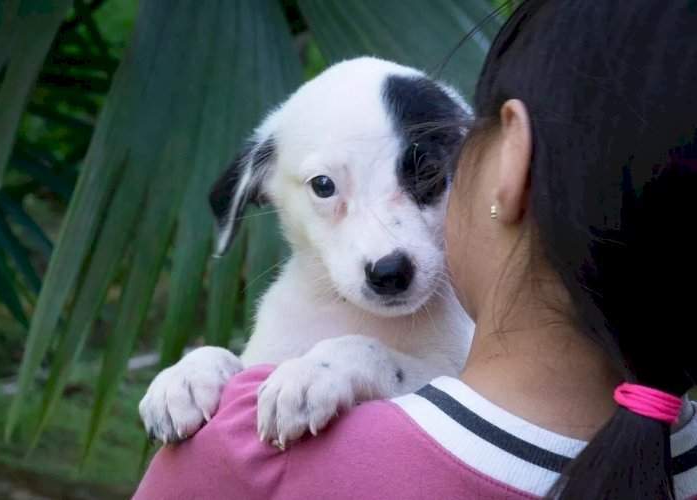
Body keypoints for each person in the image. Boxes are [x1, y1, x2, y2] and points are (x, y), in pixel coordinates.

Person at [133, 1, 697, 498]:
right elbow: (254, 393)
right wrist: (206, 367)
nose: (385, 252)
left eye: (425, 176)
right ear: (257, 191)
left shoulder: (470, 338)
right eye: (326, 188)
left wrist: (366, 359)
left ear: (507, 161)